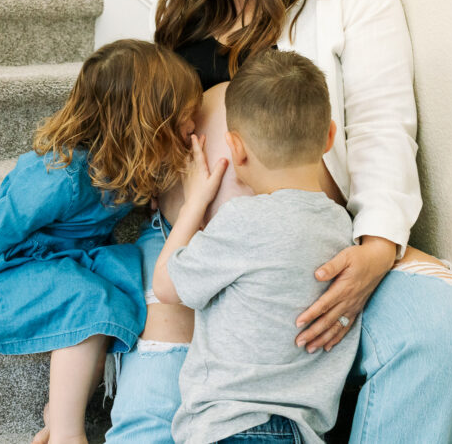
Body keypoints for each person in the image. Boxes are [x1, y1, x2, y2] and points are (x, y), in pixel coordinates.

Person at [105, 0, 452, 443]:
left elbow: (379, 128)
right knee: (154, 422)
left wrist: (375, 247)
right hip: (193, 249)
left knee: (446, 336)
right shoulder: (175, 6)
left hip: (315, 248)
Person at [0, 39, 202, 444]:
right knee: (90, 300)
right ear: (143, 127)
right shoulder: (59, 176)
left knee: (122, 290)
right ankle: (67, 436)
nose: (193, 127)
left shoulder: (127, 166)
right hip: (10, 271)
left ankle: (60, 413)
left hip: (69, 262)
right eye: (184, 119)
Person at [153, 49, 359, 444]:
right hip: (304, 432)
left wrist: (195, 200)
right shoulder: (342, 227)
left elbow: (166, 286)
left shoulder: (241, 221)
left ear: (235, 148)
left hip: (231, 427)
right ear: (330, 136)